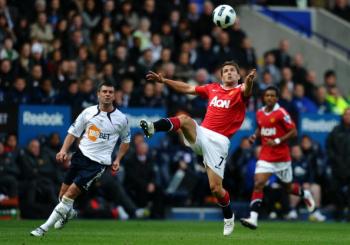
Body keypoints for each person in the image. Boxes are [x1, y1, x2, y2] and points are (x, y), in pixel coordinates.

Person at [140, 61, 256, 236]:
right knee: (184, 119)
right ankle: (152, 128)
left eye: (233, 70)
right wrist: (164, 81)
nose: (229, 73)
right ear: (221, 76)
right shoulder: (212, 88)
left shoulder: (240, 90)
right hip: (202, 133)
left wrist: (250, 82)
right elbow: (187, 88)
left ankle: (228, 215)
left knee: (216, 189)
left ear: (238, 76)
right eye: (226, 71)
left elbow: (247, 90)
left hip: (219, 142)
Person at [30, 80, 131, 236]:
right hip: (80, 156)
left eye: (110, 92)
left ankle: (43, 228)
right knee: (63, 195)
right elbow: (73, 132)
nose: (107, 94)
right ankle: (68, 213)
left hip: (97, 164)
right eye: (104, 91)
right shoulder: (88, 112)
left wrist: (118, 159)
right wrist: (63, 150)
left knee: (69, 194)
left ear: (114, 96)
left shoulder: (121, 119)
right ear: (98, 94)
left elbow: (126, 141)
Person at [240, 86, 316, 230]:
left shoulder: (281, 113)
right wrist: (255, 136)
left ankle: (305, 194)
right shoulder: (259, 112)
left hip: (282, 158)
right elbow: (261, 127)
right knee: (258, 183)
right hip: (265, 156)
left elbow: (294, 131)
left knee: (288, 188)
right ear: (264, 97)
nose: (269, 98)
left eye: (272, 96)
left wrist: (278, 141)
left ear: (277, 98)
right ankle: (253, 218)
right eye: (267, 95)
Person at [326, 108, 350, 221]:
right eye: (346, 114)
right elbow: (329, 147)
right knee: (335, 191)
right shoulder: (336, 130)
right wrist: (335, 161)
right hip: (337, 167)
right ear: (343, 116)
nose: (348, 117)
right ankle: (339, 213)